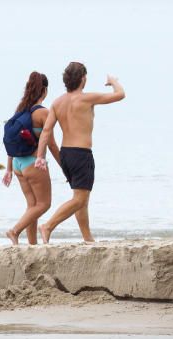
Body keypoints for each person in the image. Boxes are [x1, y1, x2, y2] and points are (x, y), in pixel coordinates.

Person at [33, 62, 125, 244]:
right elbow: (120, 94)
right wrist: (113, 81)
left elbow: (46, 131)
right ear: (83, 79)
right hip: (81, 154)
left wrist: (40, 156)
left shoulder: (58, 102)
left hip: (65, 154)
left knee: (81, 198)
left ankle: (87, 238)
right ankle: (48, 226)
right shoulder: (86, 98)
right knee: (80, 199)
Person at [2, 72, 60, 245]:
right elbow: (52, 145)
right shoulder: (43, 113)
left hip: (19, 164)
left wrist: (9, 169)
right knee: (44, 204)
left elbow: (11, 143)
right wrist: (65, 167)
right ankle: (14, 231)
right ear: (45, 90)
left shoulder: (20, 111)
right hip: (33, 163)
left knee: (32, 206)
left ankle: (32, 245)